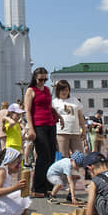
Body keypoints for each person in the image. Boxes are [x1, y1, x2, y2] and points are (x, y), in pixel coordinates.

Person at [24, 68, 63, 197]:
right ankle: (37, 188)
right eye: (40, 79)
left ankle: (48, 186)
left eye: (45, 79)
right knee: (43, 156)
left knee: (52, 156)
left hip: (50, 124)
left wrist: (58, 116)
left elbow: (49, 106)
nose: (43, 82)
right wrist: (31, 128)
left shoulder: (46, 90)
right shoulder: (30, 91)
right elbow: (28, 111)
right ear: (35, 78)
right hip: (38, 125)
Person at [52, 80, 86, 158]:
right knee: (63, 156)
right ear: (58, 91)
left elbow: (80, 116)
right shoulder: (54, 102)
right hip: (61, 132)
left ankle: (79, 170)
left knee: (79, 155)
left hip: (75, 132)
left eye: (66, 90)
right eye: (62, 90)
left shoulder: (74, 100)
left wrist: (84, 129)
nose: (64, 92)